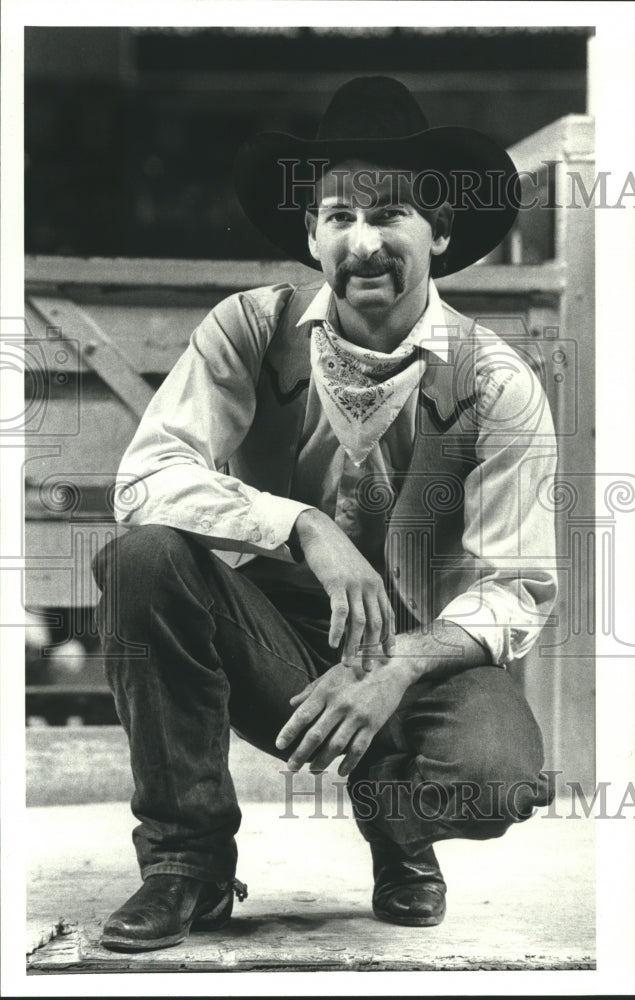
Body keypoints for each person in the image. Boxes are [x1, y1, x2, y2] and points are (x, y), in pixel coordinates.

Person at [93, 76, 558, 953]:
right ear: (310, 234)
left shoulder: (494, 381)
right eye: (339, 215)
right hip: (273, 633)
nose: (364, 241)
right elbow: (147, 474)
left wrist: (392, 670)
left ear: (442, 233)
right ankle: (185, 861)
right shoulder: (246, 330)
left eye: (392, 215)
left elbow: (518, 589)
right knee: (142, 558)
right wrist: (306, 528)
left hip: (423, 652)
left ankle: (399, 827)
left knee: (494, 780)